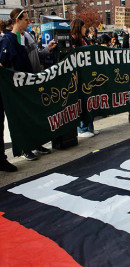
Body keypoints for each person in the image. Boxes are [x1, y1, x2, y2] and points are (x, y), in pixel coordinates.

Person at [0, 8, 56, 164]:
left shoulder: (26, 37)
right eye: (26, 19)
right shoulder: (8, 39)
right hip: (18, 86)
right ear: (17, 20)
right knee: (22, 117)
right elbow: (4, 63)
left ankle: (36, 143)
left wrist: (46, 50)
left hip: (29, 82)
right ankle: (26, 148)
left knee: (33, 115)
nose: (28, 22)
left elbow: (34, 56)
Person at [70, 18, 99, 138]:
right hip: (79, 76)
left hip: (88, 76)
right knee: (82, 101)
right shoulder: (72, 40)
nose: (85, 29)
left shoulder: (84, 39)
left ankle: (90, 126)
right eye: (83, 27)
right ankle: (82, 128)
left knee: (89, 101)